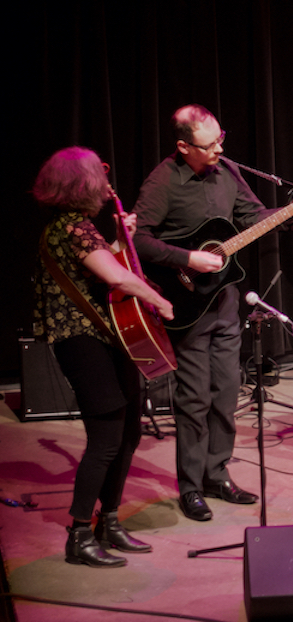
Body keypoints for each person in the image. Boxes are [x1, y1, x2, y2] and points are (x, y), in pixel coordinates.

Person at [132, 105, 293, 521]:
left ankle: (218, 474)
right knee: (194, 398)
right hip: (188, 304)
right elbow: (137, 240)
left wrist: (290, 215)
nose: (219, 148)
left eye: (221, 138)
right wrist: (188, 258)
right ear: (183, 146)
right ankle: (191, 486)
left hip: (226, 302)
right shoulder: (162, 182)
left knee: (227, 393)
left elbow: (253, 218)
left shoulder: (226, 171)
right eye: (209, 143)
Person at [32, 147, 176, 566]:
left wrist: (117, 238)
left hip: (105, 338)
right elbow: (116, 277)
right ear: (84, 183)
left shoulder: (82, 229)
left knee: (129, 433)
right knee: (106, 440)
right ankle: (79, 534)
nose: (105, 185)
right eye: (98, 177)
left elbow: (104, 263)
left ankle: (108, 521)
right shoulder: (69, 228)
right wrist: (159, 301)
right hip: (82, 342)